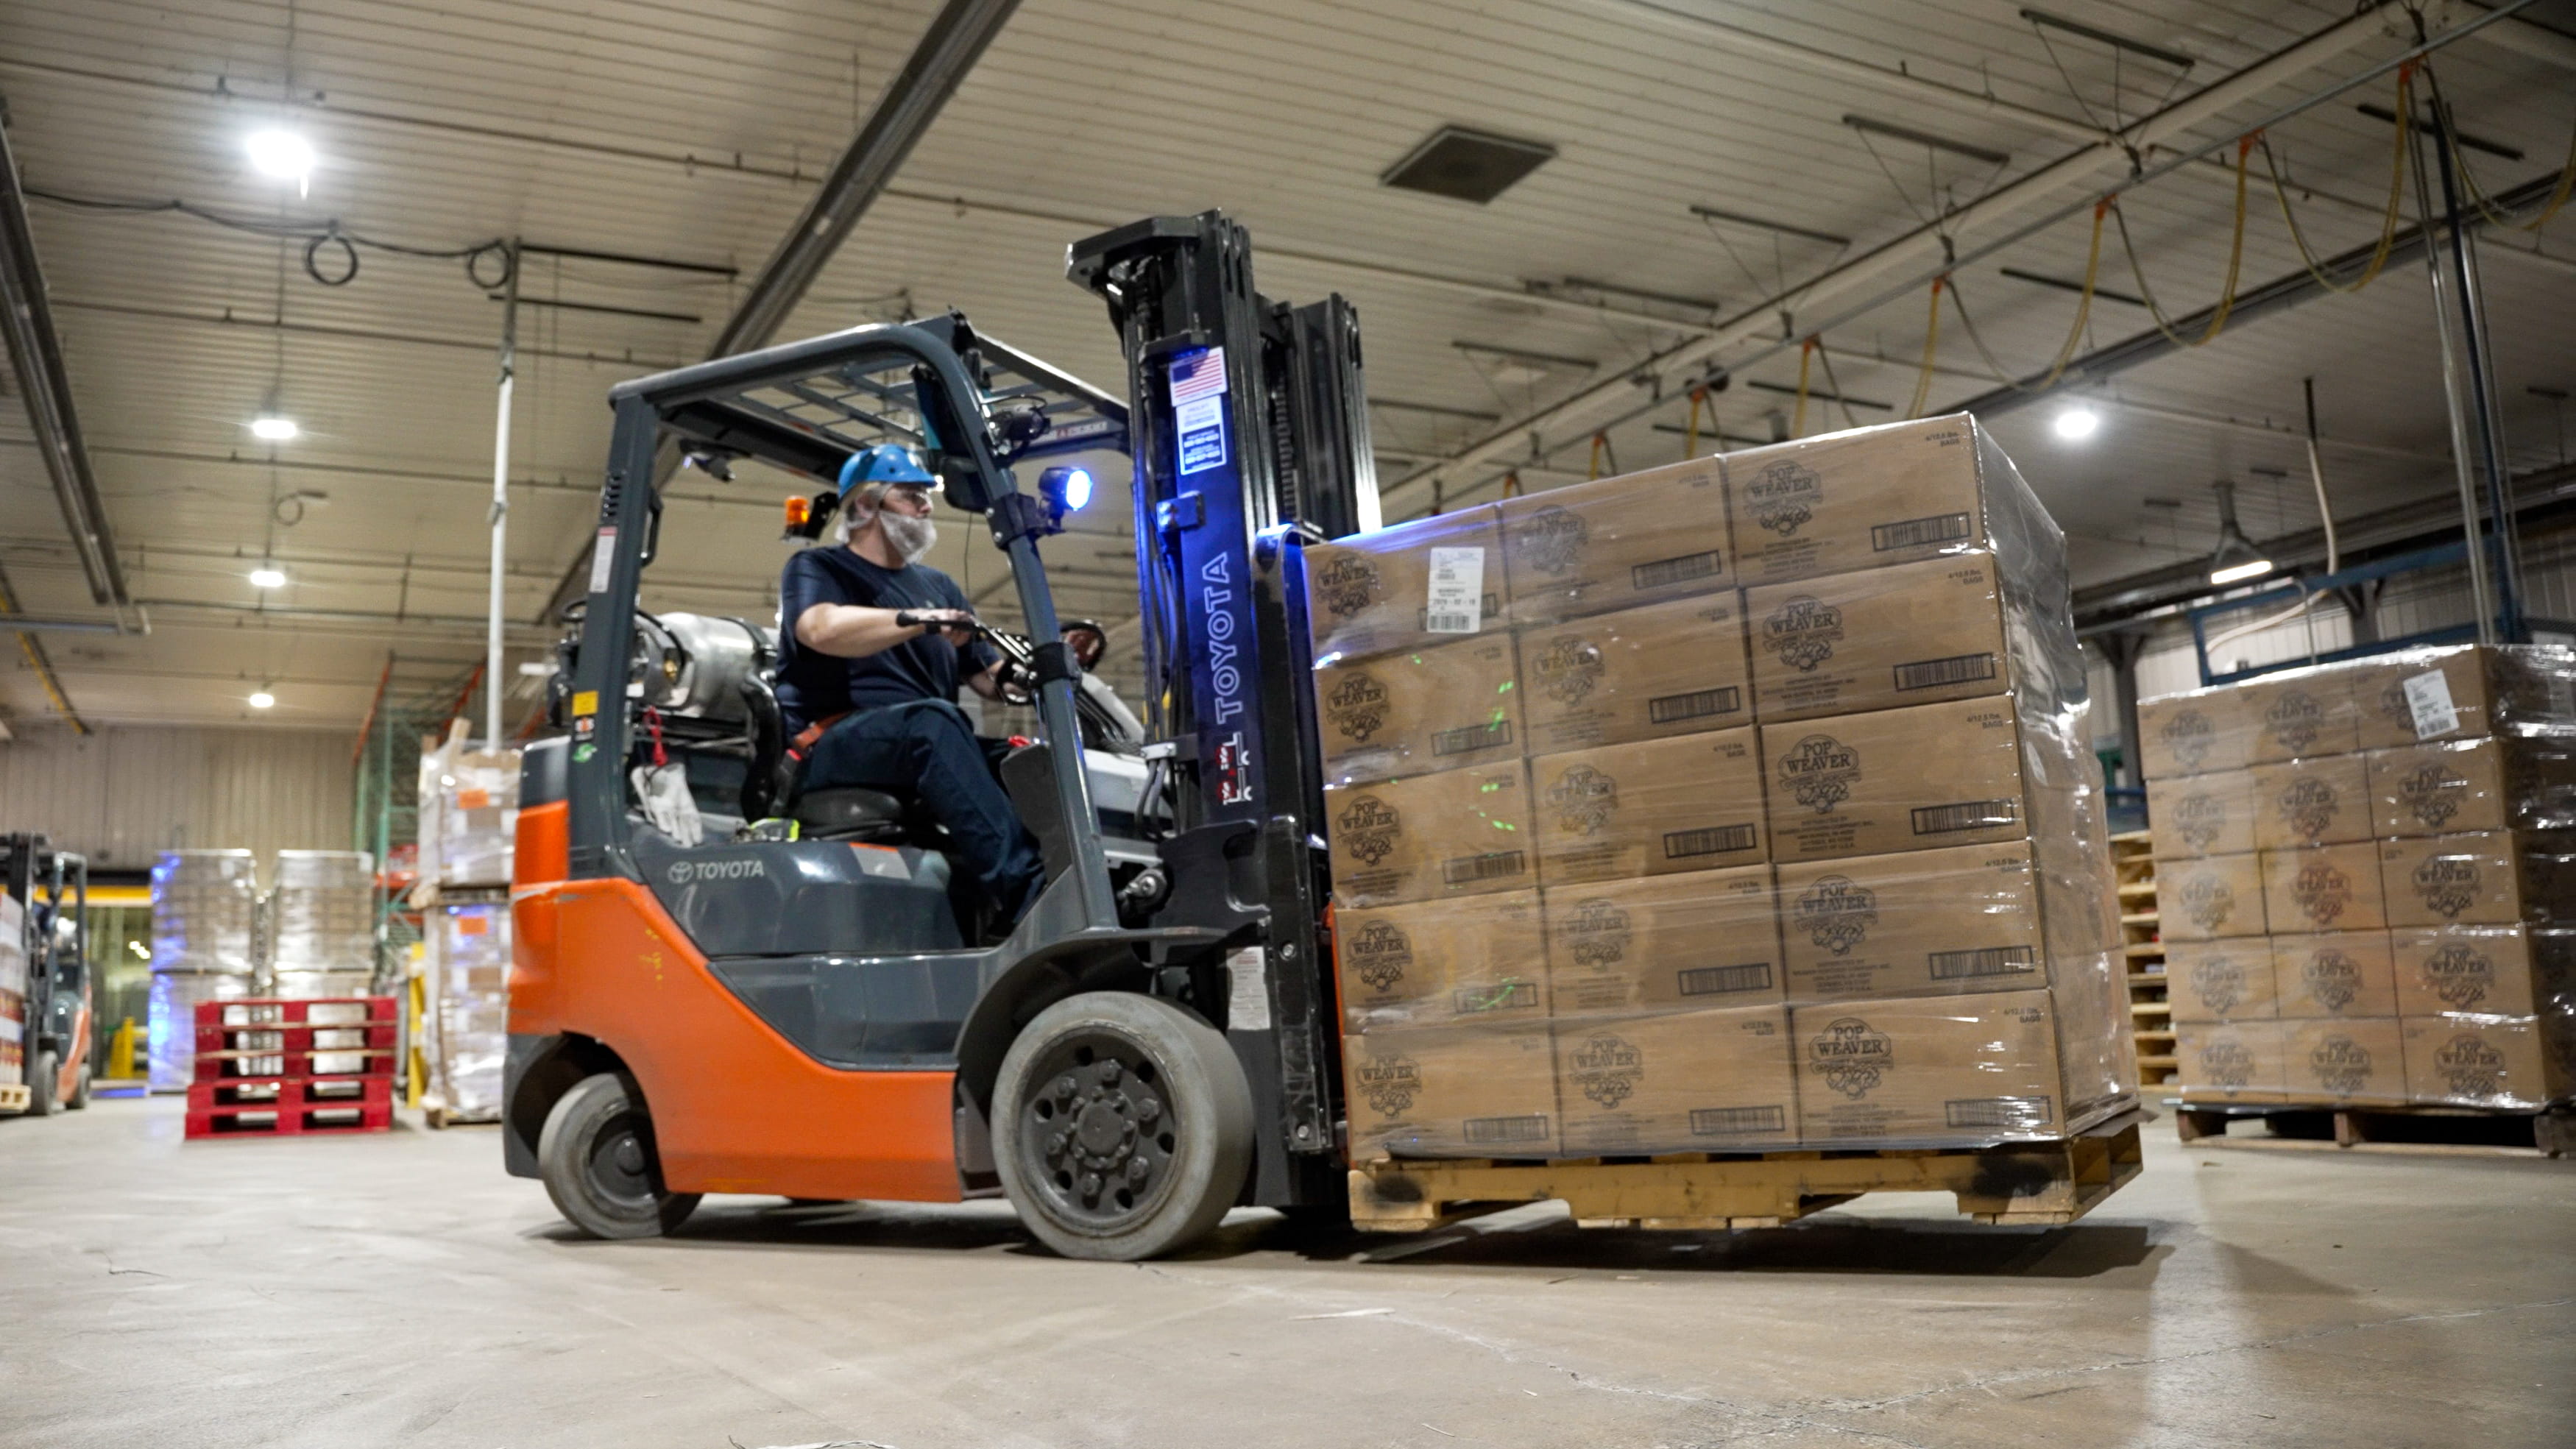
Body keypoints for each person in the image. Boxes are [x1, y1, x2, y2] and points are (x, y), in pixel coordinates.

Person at [775, 444, 1045, 924]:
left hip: (923, 739)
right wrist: (921, 619)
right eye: (910, 495)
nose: (925, 505)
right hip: (833, 741)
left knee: (1028, 759)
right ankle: (1029, 892)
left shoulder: (938, 586)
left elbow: (985, 677)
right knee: (934, 722)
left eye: (926, 495)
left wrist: (1021, 674)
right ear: (864, 505)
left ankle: (1077, 875)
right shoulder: (820, 568)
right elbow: (819, 628)